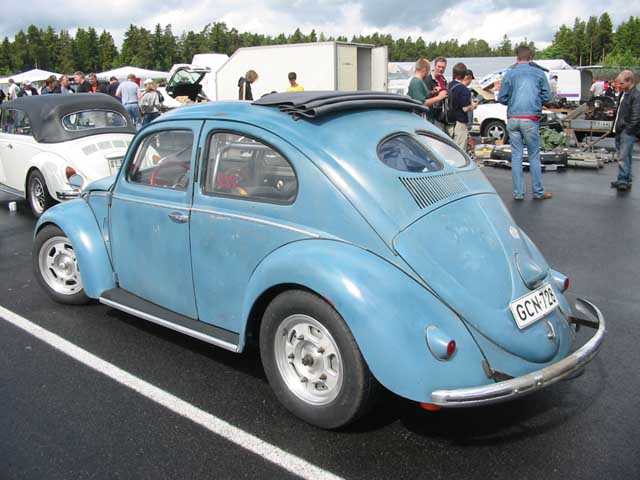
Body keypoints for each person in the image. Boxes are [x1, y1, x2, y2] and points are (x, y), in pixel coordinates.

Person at [498, 45, 552, 200]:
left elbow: (501, 98)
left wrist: (512, 101)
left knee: (516, 155)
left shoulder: (509, 74)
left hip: (513, 118)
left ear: (516, 57)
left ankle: (518, 193)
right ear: (531, 58)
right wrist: (537, 101)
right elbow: (547, 96)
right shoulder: (539, 73)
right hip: (530, 118)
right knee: (534, 155)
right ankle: (538, 192)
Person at [610, 70, 640, 192]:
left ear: (629, 81)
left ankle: (623, 180)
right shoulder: (625, 94)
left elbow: (636, 116)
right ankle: (624, 178)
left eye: (621, 83)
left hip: (626, 131)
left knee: (623, 156)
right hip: (621, 129)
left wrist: (628, 130)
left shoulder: (635, 95)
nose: (620, 85)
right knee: (624, 156)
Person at [445, 63, 478, 150]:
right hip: (459, 123)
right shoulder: (464, 90)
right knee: (459, 150)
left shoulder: (448, 85)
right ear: (464, 75)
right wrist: (473, 106)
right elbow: (465, 108)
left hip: (448, 121)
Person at [424, 56, 448, 129]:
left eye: (443, 67)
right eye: (439, 67)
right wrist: (433, 92)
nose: (441, 69)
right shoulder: (428, 79)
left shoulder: (443, 79)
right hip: (430, 116)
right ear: (434, 66)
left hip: (440, 116)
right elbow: (424, 97)